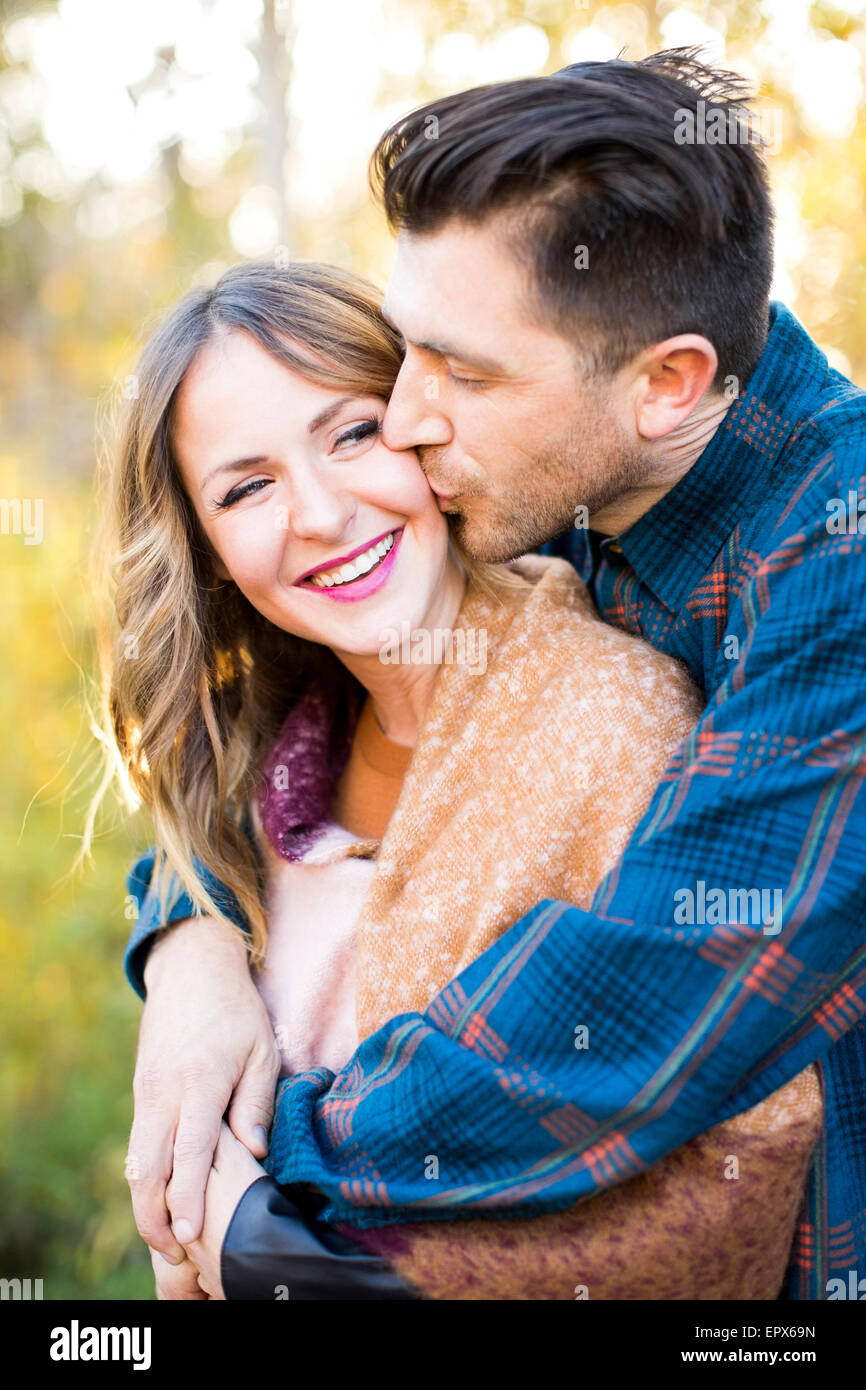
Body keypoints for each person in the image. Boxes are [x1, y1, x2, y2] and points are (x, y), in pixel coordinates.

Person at [118, 48, 866, 1301]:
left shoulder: (837, 563)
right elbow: (279, 709)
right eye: (408, 352)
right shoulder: (575, 482)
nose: (403, 418)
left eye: (460, 373)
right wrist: (189, 942)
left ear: (667, 383)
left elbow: (641, 1004)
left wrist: (255, 1178)